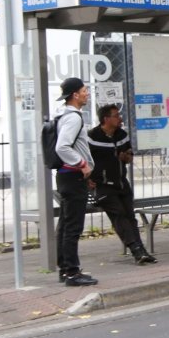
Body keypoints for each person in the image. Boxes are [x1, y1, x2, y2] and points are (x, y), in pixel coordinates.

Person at [87, 104, 157, 265]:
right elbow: (85, 159)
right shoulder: (92, 136)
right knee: (119, 215)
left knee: (130, 217)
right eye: (116, 115)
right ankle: (136, 250)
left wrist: (125, 157)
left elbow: (129, 157)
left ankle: (141, 249)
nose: (120, 118)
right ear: (106, 119)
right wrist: (88, 179)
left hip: (121, 182)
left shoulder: (122, 135)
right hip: (102, 184)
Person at [54, 77, 98, 286]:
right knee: (73, 226)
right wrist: (82, 164)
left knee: (65, 224)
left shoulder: (63, 115)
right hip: (72, 176)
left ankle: (65, 269)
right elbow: (62, 147)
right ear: (75, 95)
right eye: (84, 90)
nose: (87, 93)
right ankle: (72, 272)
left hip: (67, 176)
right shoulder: (73, 118)